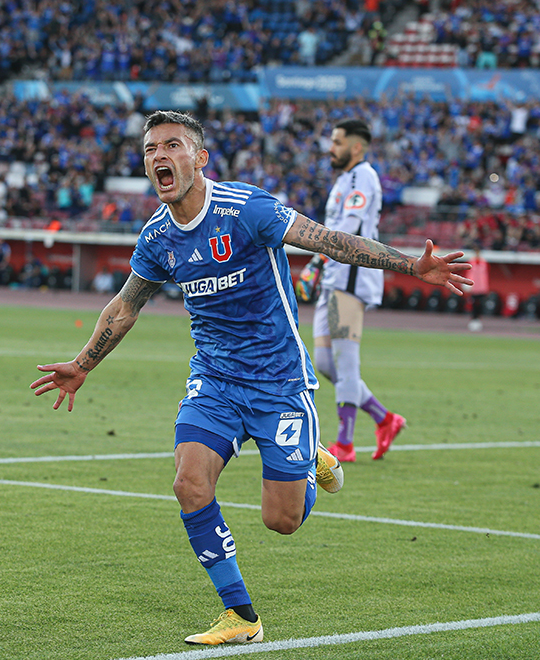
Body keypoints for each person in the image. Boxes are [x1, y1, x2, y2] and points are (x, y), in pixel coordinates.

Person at [30, 111, 471, 647]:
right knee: (188, 484)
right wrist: (83, 364)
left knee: (281, 521)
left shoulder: (247, 209)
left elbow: (329, 240)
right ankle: (241, 616)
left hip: (279, 380)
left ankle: (312, 458)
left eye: (173, 145)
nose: (159, 156)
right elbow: (125, 307)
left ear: (200, 157)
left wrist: (409, 266)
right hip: (214, 380)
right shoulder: (158, 237)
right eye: (150, 150)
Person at [297, 119, 406, 465]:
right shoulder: (345, 179)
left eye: (337, 142)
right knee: (327, 363)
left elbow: (351, 226)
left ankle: (345, 443)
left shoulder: (364, 177)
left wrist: (315, 260)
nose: (331, 148)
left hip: (351, 278)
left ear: (356, 147)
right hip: (334, 277)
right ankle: (385, 418)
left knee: (345, 361)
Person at [466, 247, 490, 331]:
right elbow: (469, 273)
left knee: (481, 304)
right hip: (474, 286)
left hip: (482, 286)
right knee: (473, 304)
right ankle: (473, 318)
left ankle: (478, 319)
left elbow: (484, 275)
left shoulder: (483, 262)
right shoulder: (471, 261)